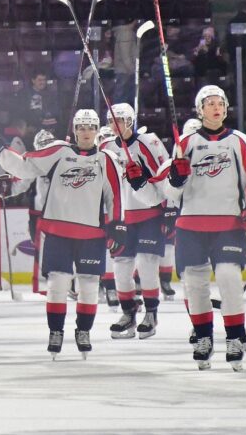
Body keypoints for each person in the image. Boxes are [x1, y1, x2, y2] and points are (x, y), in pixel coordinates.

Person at [0, 109, 122, 360]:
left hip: (91, 233)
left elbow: (115, 195)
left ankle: (83, 331)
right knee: (57, 284)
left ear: (96, 130)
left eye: (91, 127)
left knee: (89, 286)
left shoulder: (106, 159)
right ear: (74, 130)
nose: (86, 132)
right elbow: (24, 166)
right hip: (58, 230)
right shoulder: (59, 151)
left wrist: (117, 226)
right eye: (81, 127)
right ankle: (56, 332)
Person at [157, 85, 246, 371]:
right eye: (210, 103)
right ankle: (203, 338)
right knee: (195, 285)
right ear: (200, 109)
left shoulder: (238, 141)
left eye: (220, 103)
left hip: (228, 223)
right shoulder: (186, 143)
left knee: (228, 278)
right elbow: (171, 192)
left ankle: (234, 337)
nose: (217, 107)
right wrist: (176, 180)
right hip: (190, 225)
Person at [102, 104, 170, 340]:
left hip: (149, 214)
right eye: (112, 121)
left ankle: (151, 313)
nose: (116, 125)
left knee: (146, 263)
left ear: (130, 121)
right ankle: (128, 313)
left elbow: (165, 173)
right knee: (120, 267)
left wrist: (169, 208)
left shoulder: (148, 142)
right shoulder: (107, 148)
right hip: (121, 219)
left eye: (120, 120)